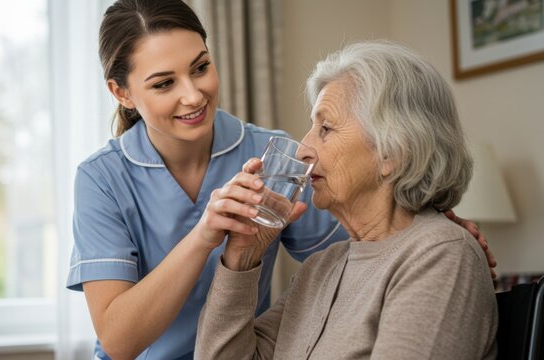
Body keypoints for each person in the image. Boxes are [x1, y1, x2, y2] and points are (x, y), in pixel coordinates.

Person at [66, 1, 495, 358]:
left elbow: (374, 237)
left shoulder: (269, 154)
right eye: (164, 83)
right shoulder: (101, 177)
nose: (194, 95)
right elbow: (118, 341)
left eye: (200, 68)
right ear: (122, 93)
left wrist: (434, 223)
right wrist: (212, 240)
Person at [195, 40, 498, 359]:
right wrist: (244, 253)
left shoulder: (439, 256)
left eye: (326, 128)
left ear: (392, 152)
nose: (302, 150)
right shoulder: (320, 268)